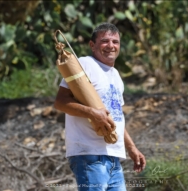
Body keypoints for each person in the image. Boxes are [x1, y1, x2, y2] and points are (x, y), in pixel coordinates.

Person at [54, 23, 146, 191]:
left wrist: (131, 148)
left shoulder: (116, 75)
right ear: (92, 45)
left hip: (113, 157)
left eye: (115, 42)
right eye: (105, 41)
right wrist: (92, 113)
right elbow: (60, 102)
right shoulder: (84, 64)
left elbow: (115, 117)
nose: (111, 46)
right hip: (89, 155)